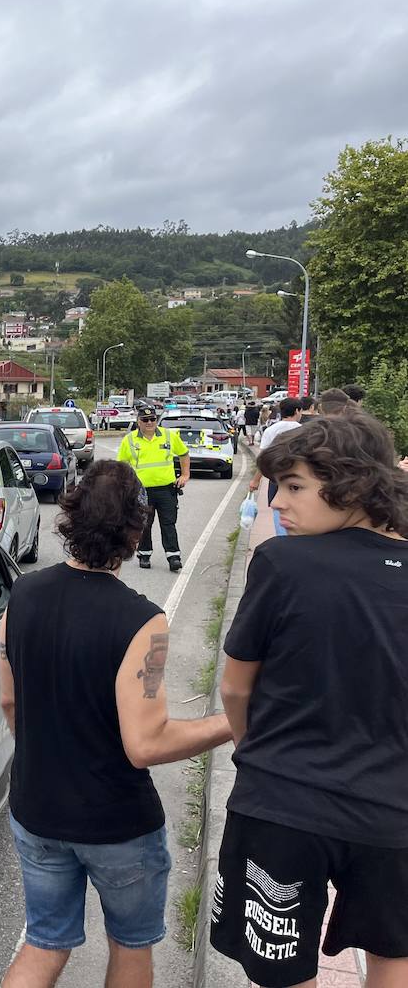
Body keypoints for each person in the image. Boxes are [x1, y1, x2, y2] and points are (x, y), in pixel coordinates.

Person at [0, 461, 231, 988]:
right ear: (135, 531)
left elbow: (10, 700)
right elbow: (145, 744)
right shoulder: (140, 619)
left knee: (44, 942)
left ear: (70, 518)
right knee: (130, 946)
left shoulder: (26, 594)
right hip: (116, 823)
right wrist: (231, 724)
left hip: (37, 808)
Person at [211, 412, 408, 988]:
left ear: (352, 483)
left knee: (280, 970)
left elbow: (234, 685)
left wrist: (256, 750)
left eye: (294, 487)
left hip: (282, 802)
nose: (278, 503)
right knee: (392, 955)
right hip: (390, 809)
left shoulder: (282, 563)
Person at [117, 401, 190, 571]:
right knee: (144, 524)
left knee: (168, 523)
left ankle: (173, 557)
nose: (150, 422)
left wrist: (185, 475)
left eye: (152, 419)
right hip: (141, 492)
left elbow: (184, 454)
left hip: (166, 489)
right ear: (139, 422)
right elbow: (121, 465)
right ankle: (144, 554)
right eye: (145, 419)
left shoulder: (168, 435)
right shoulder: (129, 440)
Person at [248, 397, 306, 538]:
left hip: (277, 481)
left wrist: (255, 481)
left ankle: (283, 544)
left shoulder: (271, 430)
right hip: (301, 481)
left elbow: (263, 460)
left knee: (280, 518)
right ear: (297, 411)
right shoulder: (305, 431)